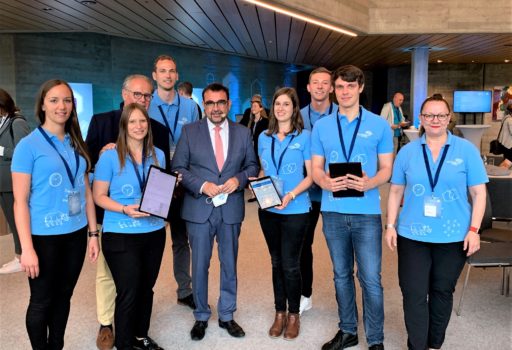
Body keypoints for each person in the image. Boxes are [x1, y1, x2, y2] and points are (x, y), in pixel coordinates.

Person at [384, 94, 487, 350]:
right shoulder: (407, 152)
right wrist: (390, 225)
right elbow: (396, 191)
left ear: (449, 118)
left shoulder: (466, 151)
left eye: (441, 115)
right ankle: (417, 346)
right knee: (414, 293)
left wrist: (474, 230)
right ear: (421, 118)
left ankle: (434, 344)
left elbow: (479, 193)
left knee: (442, 292)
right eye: (429, 115)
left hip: (453, 237)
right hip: (412, 235)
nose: (435, 120)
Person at [11, 79, 99, 349]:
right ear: (42, 105)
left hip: (75, 234)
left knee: (64, 296)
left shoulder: (75, 142)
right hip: (43, 237)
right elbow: (20, 201)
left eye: (67, 100)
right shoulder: (28, 146)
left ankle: (56, 345)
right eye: (54, 100)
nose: (62, 106)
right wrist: (26, 249)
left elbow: (85, 192)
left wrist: (93, 233)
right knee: (41, 301)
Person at [311, 65, 393, 350]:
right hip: (332, 211)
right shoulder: (321, 126)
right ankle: (348, 331)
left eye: (350, 86)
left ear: (360, 88)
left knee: (370, 278)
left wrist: (369, 183)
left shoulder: (379, 125)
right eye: (340, 87)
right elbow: (317, 169)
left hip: (367, 212)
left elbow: (386, 169)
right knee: (341, 274)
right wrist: (325, 183)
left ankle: (375, 339)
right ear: (334, 90)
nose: (345, 92)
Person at [86, 74, 170, 350]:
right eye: (132, 121)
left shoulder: (157, 154)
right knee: (129, 291)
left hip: (154, 231)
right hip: (121, 233)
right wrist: (124, 208)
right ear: (124, 125)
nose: (138, 125)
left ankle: (139, 336)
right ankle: (123, 343)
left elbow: (159, 190)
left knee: (147, 289)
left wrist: (171, 185)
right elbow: (98, 196)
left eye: (142, 121)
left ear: (148, 125)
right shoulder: (109, 155)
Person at [172, 83, 259, 341]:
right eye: (210, 103)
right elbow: (179, 167)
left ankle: (227, 314)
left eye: (221, 102)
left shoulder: (243, 133)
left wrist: (240, 179)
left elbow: (253, 165)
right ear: (204, 105)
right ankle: (200, 314)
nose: (216, 108)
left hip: (230, 208)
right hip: (199, 208)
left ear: (229, 104)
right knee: (200, 264)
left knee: (229, 263)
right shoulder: (189, 132)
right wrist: (202, 185)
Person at [256, 87, 312, 340]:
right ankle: (279, 312)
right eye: (277, 103)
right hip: (268, 208)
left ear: (294, 108)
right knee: (275, 261)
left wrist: (290, 195)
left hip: (296, 207)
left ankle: (293, 315)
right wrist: (256, 184)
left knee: (291, 264)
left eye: (286, 104)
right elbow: (263, 170)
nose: (281, 108)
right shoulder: (263, 137)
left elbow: (311, 176)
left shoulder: (305, 137)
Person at [148, 55, 199, 311]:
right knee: (150, 236)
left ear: (177, 76)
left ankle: (185, 290)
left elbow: (199, 144)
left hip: (183, 181)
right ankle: (143, 291)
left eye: (172, 71)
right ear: (154, 75)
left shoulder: (190, 107)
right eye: (162, 71)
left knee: (181, 239)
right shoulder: (147, 104)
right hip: (155, 180)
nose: (167, 75)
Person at [299, 67, 337, 314]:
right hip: (307, 194)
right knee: (303, 245)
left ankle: (344, 299)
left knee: (340, 247)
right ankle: (305, 294)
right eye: (316, 82)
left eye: (325, 83)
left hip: (336, 193)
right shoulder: (298, 116)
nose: (321, 86)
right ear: (309, 87)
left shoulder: (342, 115)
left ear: (332, 88)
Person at [0, 88, 30, 274]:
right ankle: (18, 255)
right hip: (3, 182)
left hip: (13, 182)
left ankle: (22, 256)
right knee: (12, 221)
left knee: (18, 220)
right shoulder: (3, 122)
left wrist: (2, 151)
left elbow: (24, 152)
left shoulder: (17, 122)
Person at [245, 96, 269, 203]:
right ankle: (254, 194)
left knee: (262, 170)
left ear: (261, 108)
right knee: (253, 171)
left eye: (255, 106)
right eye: (252, 106)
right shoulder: (250, 121)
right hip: (252, 150)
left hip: (262, 150)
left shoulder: (265, 122)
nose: (253, 108)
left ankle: (263, 194)